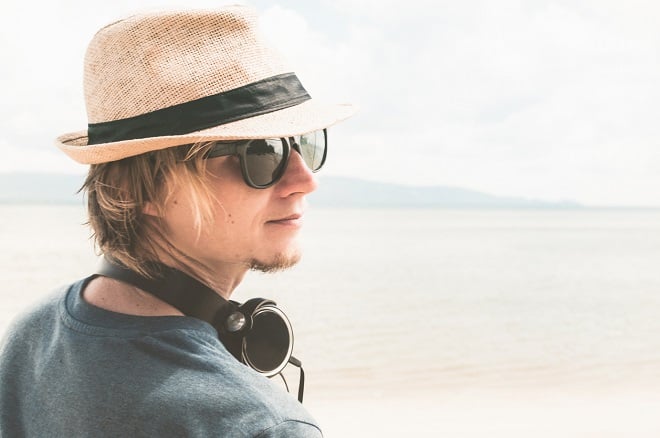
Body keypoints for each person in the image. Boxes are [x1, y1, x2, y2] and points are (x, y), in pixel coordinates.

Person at [0, 5, 355, 437]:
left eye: (304, 143)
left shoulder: (31, 338)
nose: (304, 181)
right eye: (261, 153)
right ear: (141, 191)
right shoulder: (259, 425)